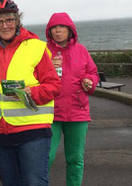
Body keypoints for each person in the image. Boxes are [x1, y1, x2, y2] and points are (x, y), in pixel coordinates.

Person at [0, 0, 61, 186]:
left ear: (17, 21)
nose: (5, 25)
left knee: (34, 182)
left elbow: (54, 86)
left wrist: (30, 91)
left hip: (33, 130)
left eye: (9, 20)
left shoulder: (36, 47)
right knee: (9, 182)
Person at [46, 12, 99, 186]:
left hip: (78, 112)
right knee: (46, 158)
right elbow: (34, 77)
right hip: (50, 113)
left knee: (75, 159)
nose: (57, 31)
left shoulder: (81, 50)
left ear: (70, 30)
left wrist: (89, 81)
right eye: (54, 27)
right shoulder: (43, 51)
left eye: (61, 27)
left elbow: (92, 72)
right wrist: (49, 67)